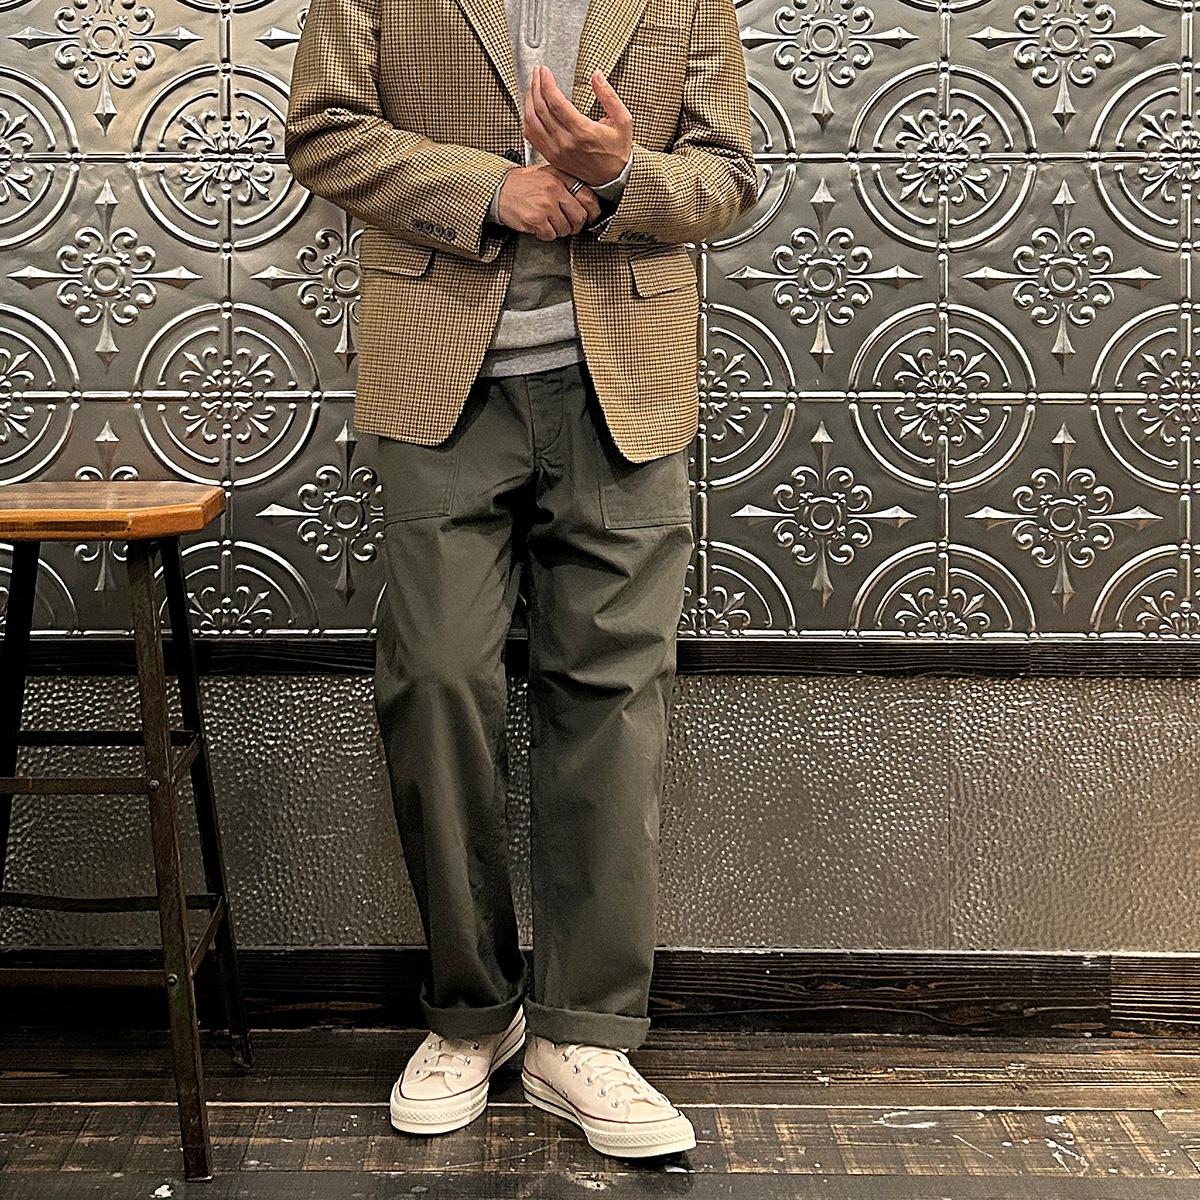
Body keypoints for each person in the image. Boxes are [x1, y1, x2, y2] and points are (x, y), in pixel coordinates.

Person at [284, 0, 756, 1161]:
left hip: (626, 382)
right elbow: (323, 129)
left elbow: (729, 175)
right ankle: (471, 1013)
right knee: (437, 677)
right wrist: (494, 190)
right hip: (437, 382)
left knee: (611, 699)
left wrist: (622, 176)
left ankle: (584, 1032)